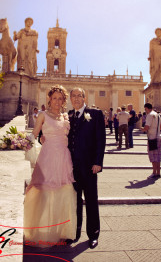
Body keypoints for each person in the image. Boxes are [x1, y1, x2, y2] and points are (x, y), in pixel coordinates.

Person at [24, 85, 77, 247]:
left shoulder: (66, 117)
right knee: (43, 192)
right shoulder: (42, 115)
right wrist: (22, 143)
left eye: (60, 98)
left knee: (63, 193)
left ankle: (59, 231)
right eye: (54, 98)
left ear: (63, 101)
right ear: (49, 99)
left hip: (63, 157)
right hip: (47, 157)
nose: (57, 101)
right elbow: (34, 134)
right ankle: (39, 231)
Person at [68, 87, 106, 249]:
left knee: (91, 201)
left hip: (90, 167)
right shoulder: (68, 116)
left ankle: (93, 234)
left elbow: (100, 140)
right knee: (74, 202)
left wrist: (98, 162)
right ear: (70, 99)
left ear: (84, 98)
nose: (76, 98)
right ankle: (75, 233)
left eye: (79, 96)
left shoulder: (95, 114)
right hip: (71, 168)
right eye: (73, 96)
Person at [141, 103, 161, 179]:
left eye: (145, 109)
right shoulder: (158, 115)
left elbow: (146, 127)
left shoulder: (149, 115)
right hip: (159, 137)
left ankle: (154, 173)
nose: (145, 111)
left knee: (153, 156)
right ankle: (158, 173)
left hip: (152, 138)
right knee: (158, 156)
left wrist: (142, 129)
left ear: (147, 108)